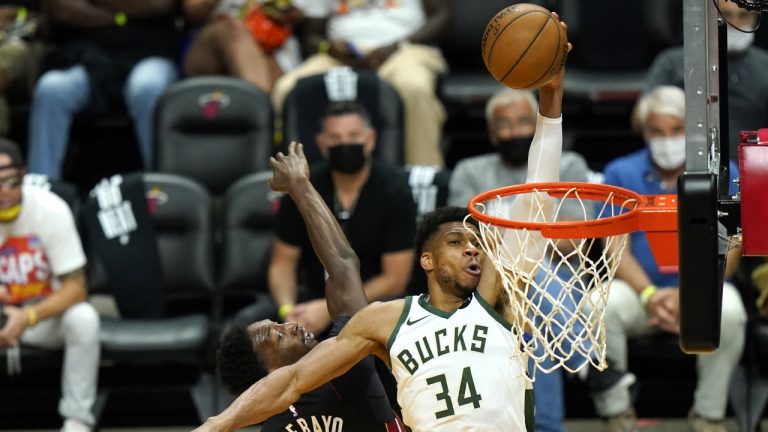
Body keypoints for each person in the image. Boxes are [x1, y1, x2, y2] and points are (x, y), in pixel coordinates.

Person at [192, 18, 570, 430]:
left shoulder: (491, 301)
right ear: (425, 260)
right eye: (456, 240)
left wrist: (551, 100)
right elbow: (293, 380)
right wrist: (215, 425)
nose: (471, 248)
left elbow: (538, 196)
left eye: (473, 241)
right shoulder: (387, 321)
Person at [217, 140, 405, 430]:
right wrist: (299, 186)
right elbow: (342, 264)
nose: (289, 326)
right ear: (269, 373)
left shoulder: (271, 427)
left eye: (278, 325)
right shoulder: (342, 367)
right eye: (278, 337)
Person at [590, 86, 746, 432]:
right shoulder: (620, 173)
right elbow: (615, 249)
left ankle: (709, 416)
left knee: (732, 309)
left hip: (703, 292)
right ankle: (617, 414)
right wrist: (649, 295)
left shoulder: (726, 171)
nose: (667, 139)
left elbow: (731, 251)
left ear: (693, 131)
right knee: (600, 304)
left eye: (676, 130)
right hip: (641, 295)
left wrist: (685, 294)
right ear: (643, 132)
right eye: (657, 131)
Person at [448, 87, 593, 432]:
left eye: (524, 122)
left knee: (531, 312)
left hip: (560, 284)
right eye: (504, 124)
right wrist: (537, 232)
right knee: (523, 277)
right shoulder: (470, 172)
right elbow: (462, 242)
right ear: (491, 132)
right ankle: (580, 356)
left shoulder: (568, 165)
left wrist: (512, 236)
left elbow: (575, 243)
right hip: (487, 286)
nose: (514, 131)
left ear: (536, 126)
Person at [268, 101, 416, 335]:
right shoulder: (304, 186)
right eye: (335, 138)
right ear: (322, 144)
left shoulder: (394, 190)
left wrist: (328, 310)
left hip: (375, 304)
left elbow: (395, 279)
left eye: (353, 135)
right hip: (309, 300)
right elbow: (282, 263)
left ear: (370, 139)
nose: (345, 144)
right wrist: (288, 312)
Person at [271, 0, 451, 167]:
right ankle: (292, 182)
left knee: (413, 87)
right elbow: (312, 35)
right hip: (341, 55)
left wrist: (396, 46)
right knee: (287, 89)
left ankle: (425, 176)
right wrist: (331, 49)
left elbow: (441, 17)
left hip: (405, 48)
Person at [0, 138, 100, 432]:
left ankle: (77, 420)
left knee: (84, 319)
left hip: (40, 317)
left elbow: (77, 287)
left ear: (24, 175)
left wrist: (27, 317)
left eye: (11, 181)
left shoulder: (51, 210)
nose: (4, 191)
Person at [26, 0, 181, 179]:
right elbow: (61, 8)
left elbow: (157, 5)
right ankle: (39, 189)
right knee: (51, 88)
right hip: (89, 56)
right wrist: (124, 14)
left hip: (151, 52)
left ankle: (163, 187)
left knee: (146, 87)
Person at [645, 0, 768, 161]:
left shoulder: (765, 65)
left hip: (753, 165)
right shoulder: (671, 63)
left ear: (755, 17)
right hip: (685, 164)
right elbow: (646, 117)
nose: (735, 23)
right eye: (726, 15)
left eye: (744, 15)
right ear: (709, 17)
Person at [182, 0, 304, 93]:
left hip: (274, 46)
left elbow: (311, 23)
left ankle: (263, 111)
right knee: (231, 28)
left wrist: (291, 14)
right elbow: (193, 11)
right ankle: (260, 111)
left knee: (273, 71)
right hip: (210, 43)